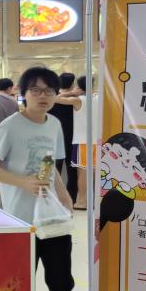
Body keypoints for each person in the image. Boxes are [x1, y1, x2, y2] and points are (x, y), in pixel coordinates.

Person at [0, 67, 75, 291]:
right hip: (21, 221)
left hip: (52, 218)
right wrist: (23, 182)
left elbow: (50, 163)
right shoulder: (10, 126)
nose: (43, 96)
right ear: (23, 93)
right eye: (35, 90)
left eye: (49, 90)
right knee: (16, 285)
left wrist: (64, 195)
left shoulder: (54, 124)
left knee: (62, 286)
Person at [49, 72, 82, 203]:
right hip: (70, 137)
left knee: (52, 170)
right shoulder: (76, 98)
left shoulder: (53, 96)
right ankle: (70, 200)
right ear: (72, 83)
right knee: (71, 171)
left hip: (52, 137)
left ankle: (51, 199)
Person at [71, 75, 98, 210]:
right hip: (98, 141)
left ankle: (82, 201)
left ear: (79, 86)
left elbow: (55, 98)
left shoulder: (78, 100)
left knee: (83, 173)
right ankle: (96, 201)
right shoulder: (100, 98)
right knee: (97, 172)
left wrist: (71, 92)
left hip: (82, 141)